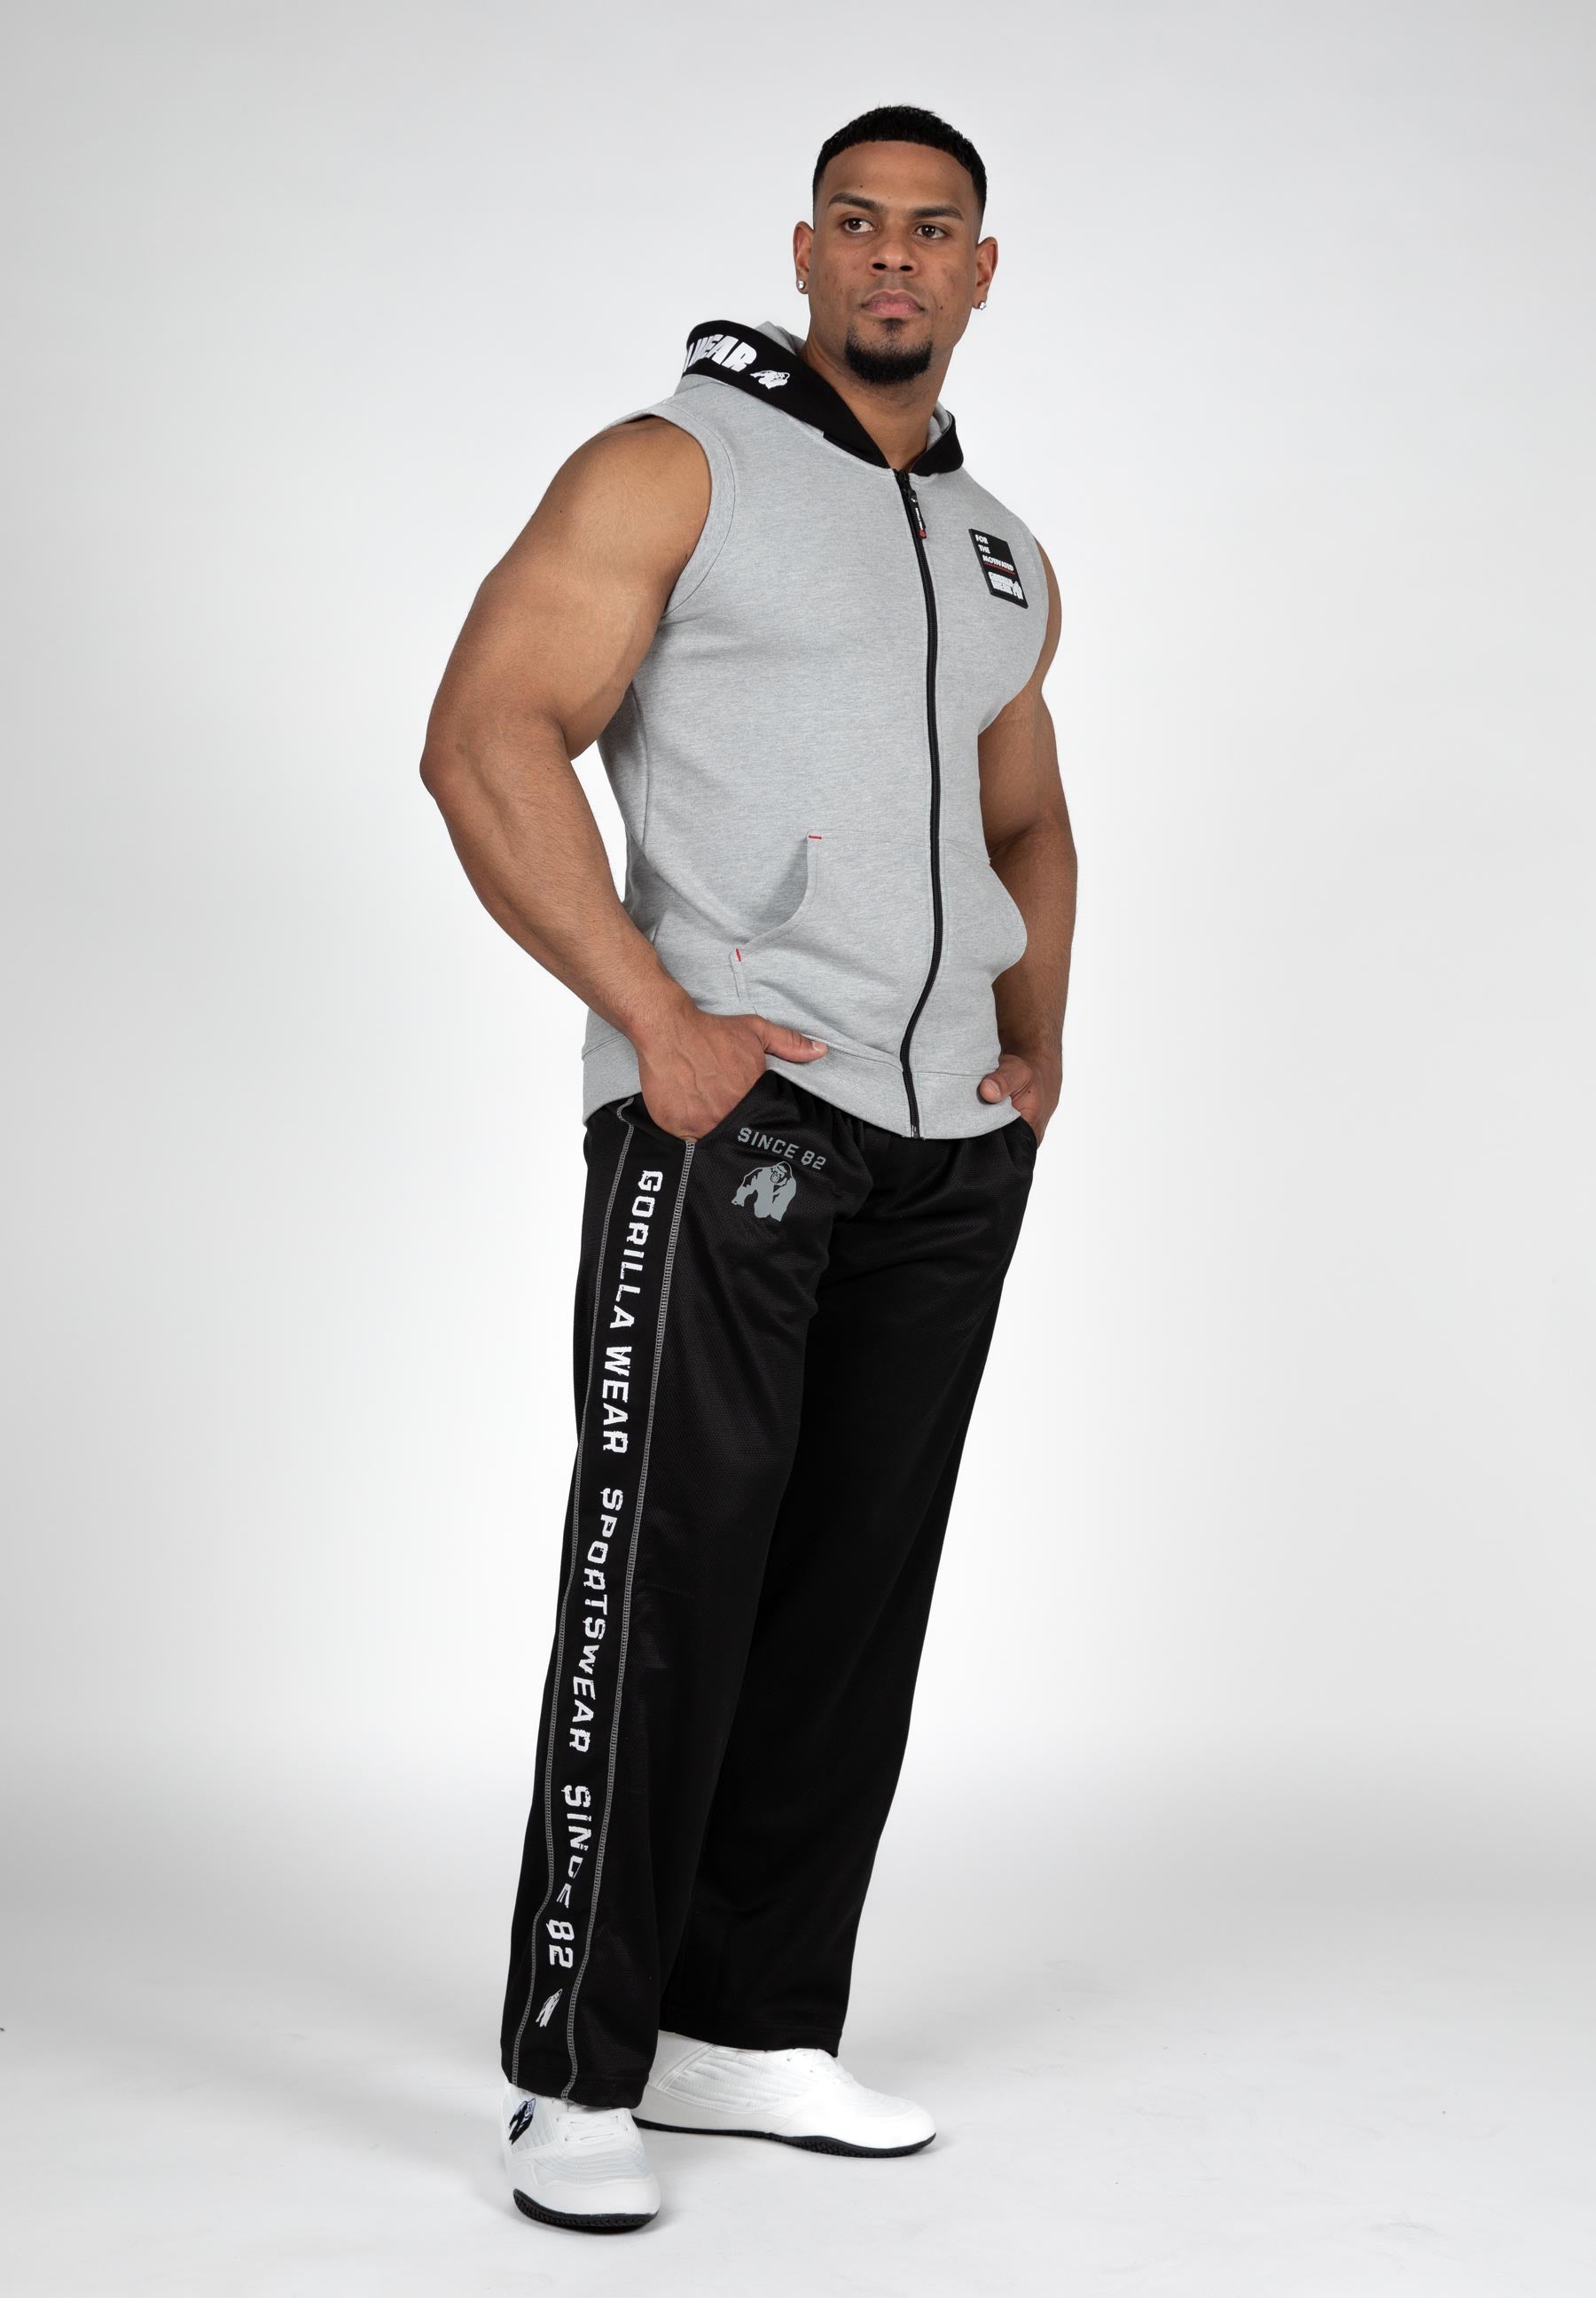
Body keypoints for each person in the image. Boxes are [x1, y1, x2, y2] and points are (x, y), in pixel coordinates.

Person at [420, 101, 1077, 2234]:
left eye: (934, 230)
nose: (894, 256)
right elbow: (486, 733)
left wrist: (1034, 1042)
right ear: (805, 253)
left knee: (849, 1598)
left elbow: (1025, 817)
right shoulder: (668, 465)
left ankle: (751, 2028)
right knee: (670, 1575)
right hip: (739, 1116)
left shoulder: (1001, 549)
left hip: (944, 1145)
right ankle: (575, 2074)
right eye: (858, 223)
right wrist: (661, 1021)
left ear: (981, 271)